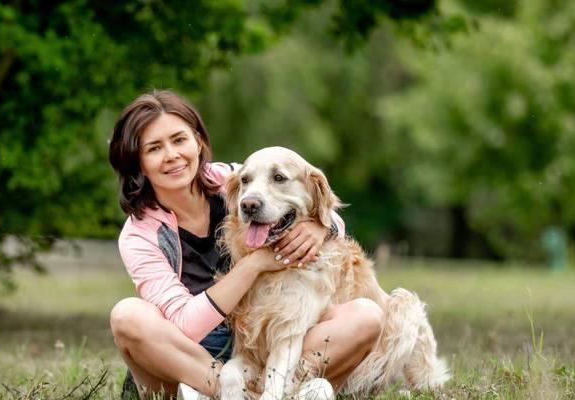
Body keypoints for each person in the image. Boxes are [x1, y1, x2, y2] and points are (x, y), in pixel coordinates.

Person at [108, 90, 384, 399]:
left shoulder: (237, 180)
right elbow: (186, 325)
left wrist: (321, 227)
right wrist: (254, 264)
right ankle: (245, 393)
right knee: (128, 316)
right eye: (154, 148)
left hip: (257, 346)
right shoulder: (138, 235)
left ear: (198, 142)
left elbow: (316, 203)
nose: (172, 154)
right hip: (189, 356)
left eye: (179, 140)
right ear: (138, 162)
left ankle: (267, 389)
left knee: (365, 316)